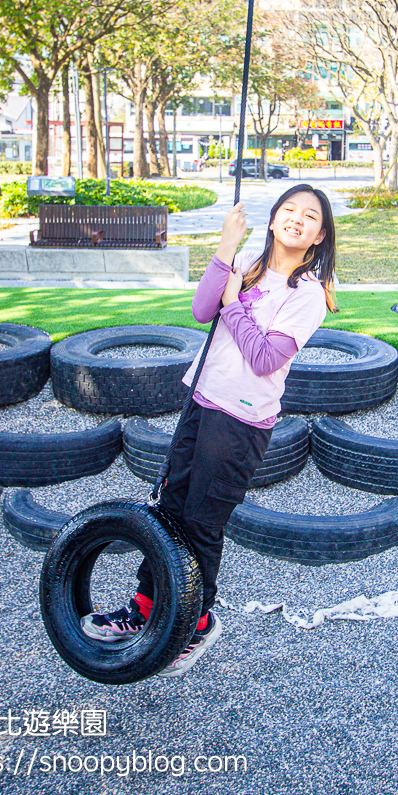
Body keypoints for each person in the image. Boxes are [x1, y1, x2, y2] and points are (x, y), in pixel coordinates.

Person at [81, 184, 338, 676]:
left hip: (241, 420)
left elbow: (265, 359)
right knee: (170, 510)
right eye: (289, 209)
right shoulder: (245, 261)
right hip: (201, 399)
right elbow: (202, 311)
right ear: (271, 219)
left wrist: (234, 302)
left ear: (319, 235)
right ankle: (143, 610)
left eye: (310, 217)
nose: (297, 219)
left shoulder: (308, 294)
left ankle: (196, 624)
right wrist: (225, 249)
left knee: (201, 521)